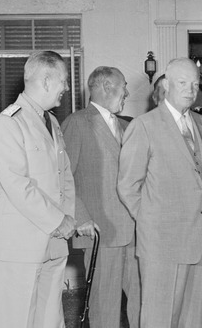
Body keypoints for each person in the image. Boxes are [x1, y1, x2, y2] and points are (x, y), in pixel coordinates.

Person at [0, 51, 77, 328]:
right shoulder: (9, 122)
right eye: (63, 81)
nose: (66, 88)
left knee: (50, 321)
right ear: (46, 81)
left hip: (53, 241)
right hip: (18, 245)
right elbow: (17, 184)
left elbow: (64, 176)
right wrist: (59, 220)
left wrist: (67, 220)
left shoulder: (52, 122)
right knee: (16, 321)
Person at [118, 58, 202, 328]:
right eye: (183, 83)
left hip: (200, 241)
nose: (191, 89)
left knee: (192, 319)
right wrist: (152, 221)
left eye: (195, 83)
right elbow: (128, 185)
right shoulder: (144, 125)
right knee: (160, 319)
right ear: (166, 85)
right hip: (162, 242)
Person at [61, 66, 140, 328]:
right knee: (105, 309)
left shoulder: (128, 125)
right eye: (123, 86)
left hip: (136, 233)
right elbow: (64, 177)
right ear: (107, 87)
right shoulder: (77, 122)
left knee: (144, 305)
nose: (126, 92)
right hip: (101, 232)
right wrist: (81, 217)